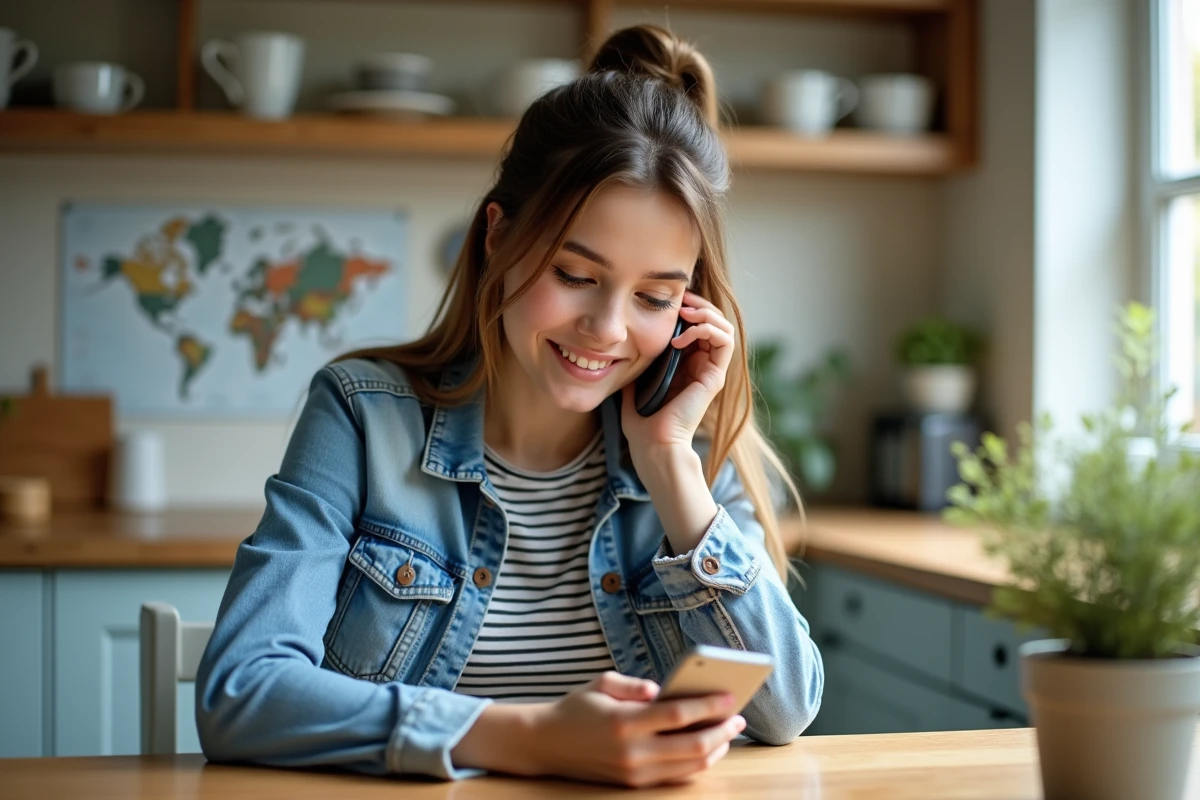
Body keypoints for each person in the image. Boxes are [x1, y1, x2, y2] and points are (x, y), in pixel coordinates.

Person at [195, 23, 823, 789]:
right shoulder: (361, 416)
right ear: (499, 234)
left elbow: (784, 709)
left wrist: (667, 464)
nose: (608, 329)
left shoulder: (690, 447)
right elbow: (241, 694)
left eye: (655, 296)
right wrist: (530, 739)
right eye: (575, 273)